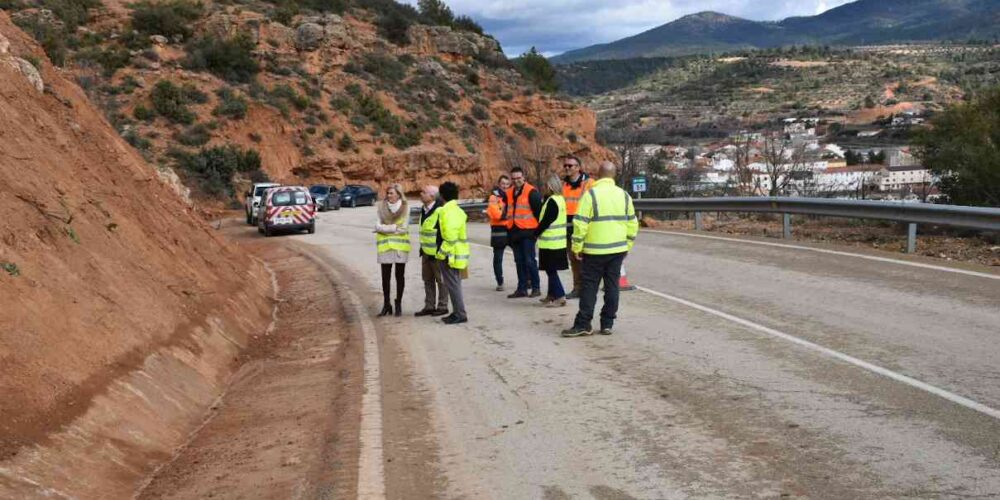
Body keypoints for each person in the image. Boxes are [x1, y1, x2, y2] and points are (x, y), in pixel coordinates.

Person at [561, 162, 639, 337]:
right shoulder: (624, 195)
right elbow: (633, 224)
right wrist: (627, 245)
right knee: (612, 287)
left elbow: (580, 223)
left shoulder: (591, 195)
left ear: (598, 174)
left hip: (594, 251)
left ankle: (583, 324)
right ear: (614, 175)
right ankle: (607, 323)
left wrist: (576, 247)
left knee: (589, 288)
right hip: (617, 251)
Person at [505, 167, 542, 299]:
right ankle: (522, 288)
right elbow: (508, 212)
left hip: (528, 233)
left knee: (529, 260)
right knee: (519, 261)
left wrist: (536, 233)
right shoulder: (509, 193)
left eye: (518, 178)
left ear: (524, 177)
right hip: (514, 232)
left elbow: (539, 214)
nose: (516, 181)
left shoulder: (532, 192)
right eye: (513, 179)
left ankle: (536, 287)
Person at [436, 181, 470, 325]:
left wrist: (441, 253)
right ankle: (457, 312)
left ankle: (460, 314)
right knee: (454, 284)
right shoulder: (457, 210)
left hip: (451, 255)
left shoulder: (447, 212)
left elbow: (450, 237)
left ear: (442, 196)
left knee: (453, 284)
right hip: (456, 253)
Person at [375, 183, 411, 317]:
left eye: (391, 193)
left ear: (399, 194)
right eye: (388, 193)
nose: (389, 195)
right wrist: (394, 228)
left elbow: (404, 228)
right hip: (385, 247)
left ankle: (398, 303)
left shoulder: (406, 207)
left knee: (399, 276)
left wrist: (386, 228)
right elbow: (377, 225)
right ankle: (386, 304)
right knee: (385, 277)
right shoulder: (381, 207)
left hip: (400, 248)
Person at [561, 155, 594, 299]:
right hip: (568, 229)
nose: (567, 168)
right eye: (565, 166)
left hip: (586, 227)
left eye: (570, 165)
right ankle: (577, 288)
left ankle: (589, 288)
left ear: (578, 168)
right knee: (574, 260)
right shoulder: (563, 185)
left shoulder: (589, 183)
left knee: (589, 259)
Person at [415, 185, 449, 317]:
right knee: (427, 280)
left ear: (432, 196)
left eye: (423, 192)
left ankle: (442, 306)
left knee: (441, 281)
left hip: (437, 254)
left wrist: (441, 252)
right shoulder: (424, 210)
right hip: (425, 252)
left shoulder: (440, 211)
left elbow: (443, 233)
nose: (420, 193)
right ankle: (429, 306)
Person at [536, 175, 569, 307]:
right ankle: (551, 294)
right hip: (558, 242)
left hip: (550, 243)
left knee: (551, 270)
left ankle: (560, 296)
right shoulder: (560, 199)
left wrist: (535, 234)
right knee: (551, 269)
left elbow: (546, 221)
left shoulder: (551, 201)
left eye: (546, 186)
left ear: (550, 186)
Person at [485, 175, 512, 292]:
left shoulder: (512, 195)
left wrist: (504, 214)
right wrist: (508, 215)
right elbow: (497, 215)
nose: (505, 186)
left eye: (507, 184)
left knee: (520, 256)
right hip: (498, 231)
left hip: (511, 229)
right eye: (503, 184)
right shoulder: (493, 197)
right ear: (499, 184)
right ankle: (500, 282)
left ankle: (527, 281)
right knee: (498, 259)